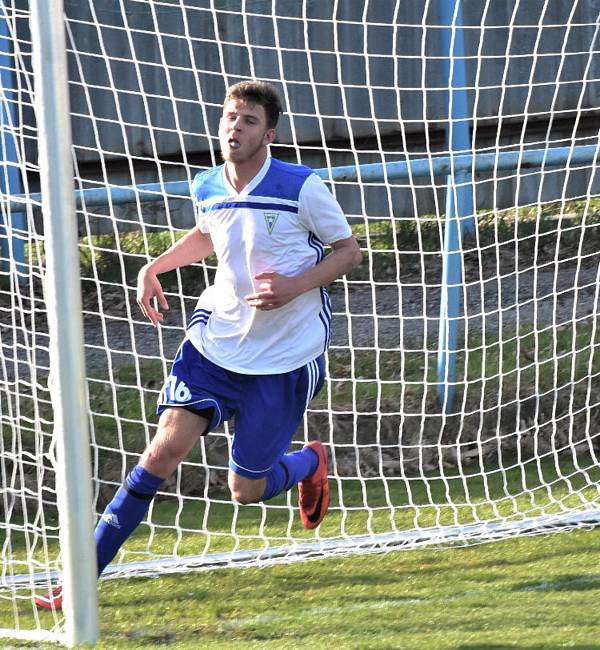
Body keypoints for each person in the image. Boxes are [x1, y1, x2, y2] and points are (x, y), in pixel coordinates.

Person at [35, 80, 362, 610]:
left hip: (285, 357)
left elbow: (348, 252)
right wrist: (154, 264)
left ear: (269, 133)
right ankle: (79, 583)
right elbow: (211, 234)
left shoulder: (302, 186)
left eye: (249, 120)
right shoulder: (207, 184)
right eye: (231, 117)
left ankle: (308, 463)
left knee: (245, 491)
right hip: (215, 343)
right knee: (163, 450)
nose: (236, 127)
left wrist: (295, 286)